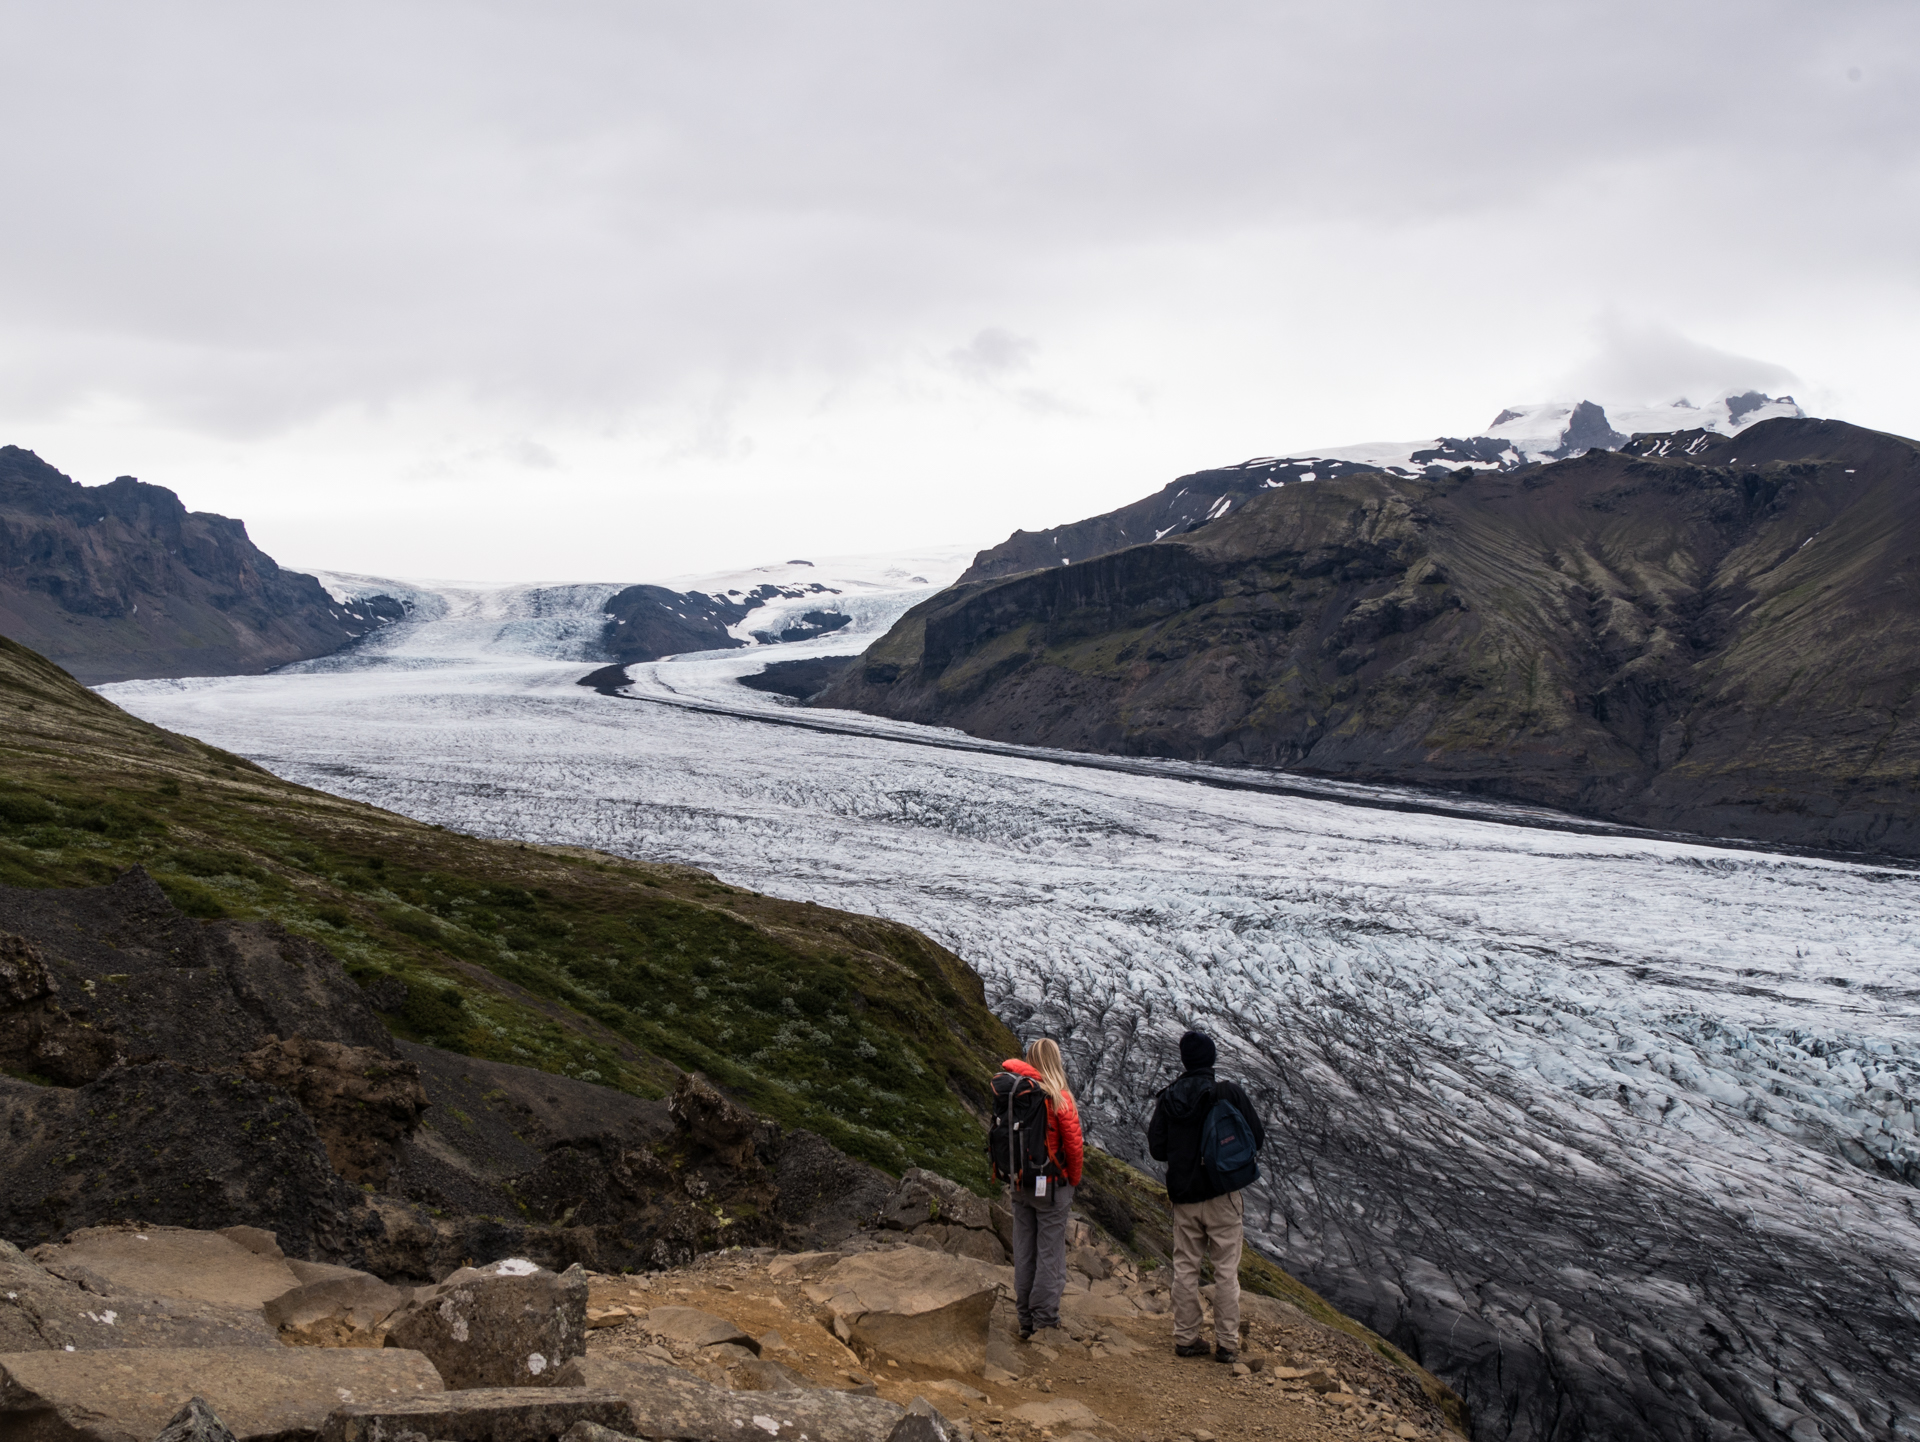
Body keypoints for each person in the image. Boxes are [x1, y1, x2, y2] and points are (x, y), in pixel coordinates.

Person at [1146, 1029, 1266, 1363]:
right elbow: (1255, 1137)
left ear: (1185, 1060)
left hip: (1184, 1197)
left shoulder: (1169, 1097)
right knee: (1226, 1271)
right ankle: (1226, 1344)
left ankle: (1186, 1338)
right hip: (1221, 1195)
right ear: (1211, 1059)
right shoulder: (1227, 1092)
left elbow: (1156, 1149)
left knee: (1185, 1268)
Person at [999, 1037, 1084, 1339]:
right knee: (1049, 1254)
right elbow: (1074, 1147)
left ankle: (1025, 1320)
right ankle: (1045, 1321)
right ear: (1055, 1060)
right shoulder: (1058, 1097)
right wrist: (1072, 1180)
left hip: (1020, 1181)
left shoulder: (1016, 1093)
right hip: (1051, 1187)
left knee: (1024, 1251)